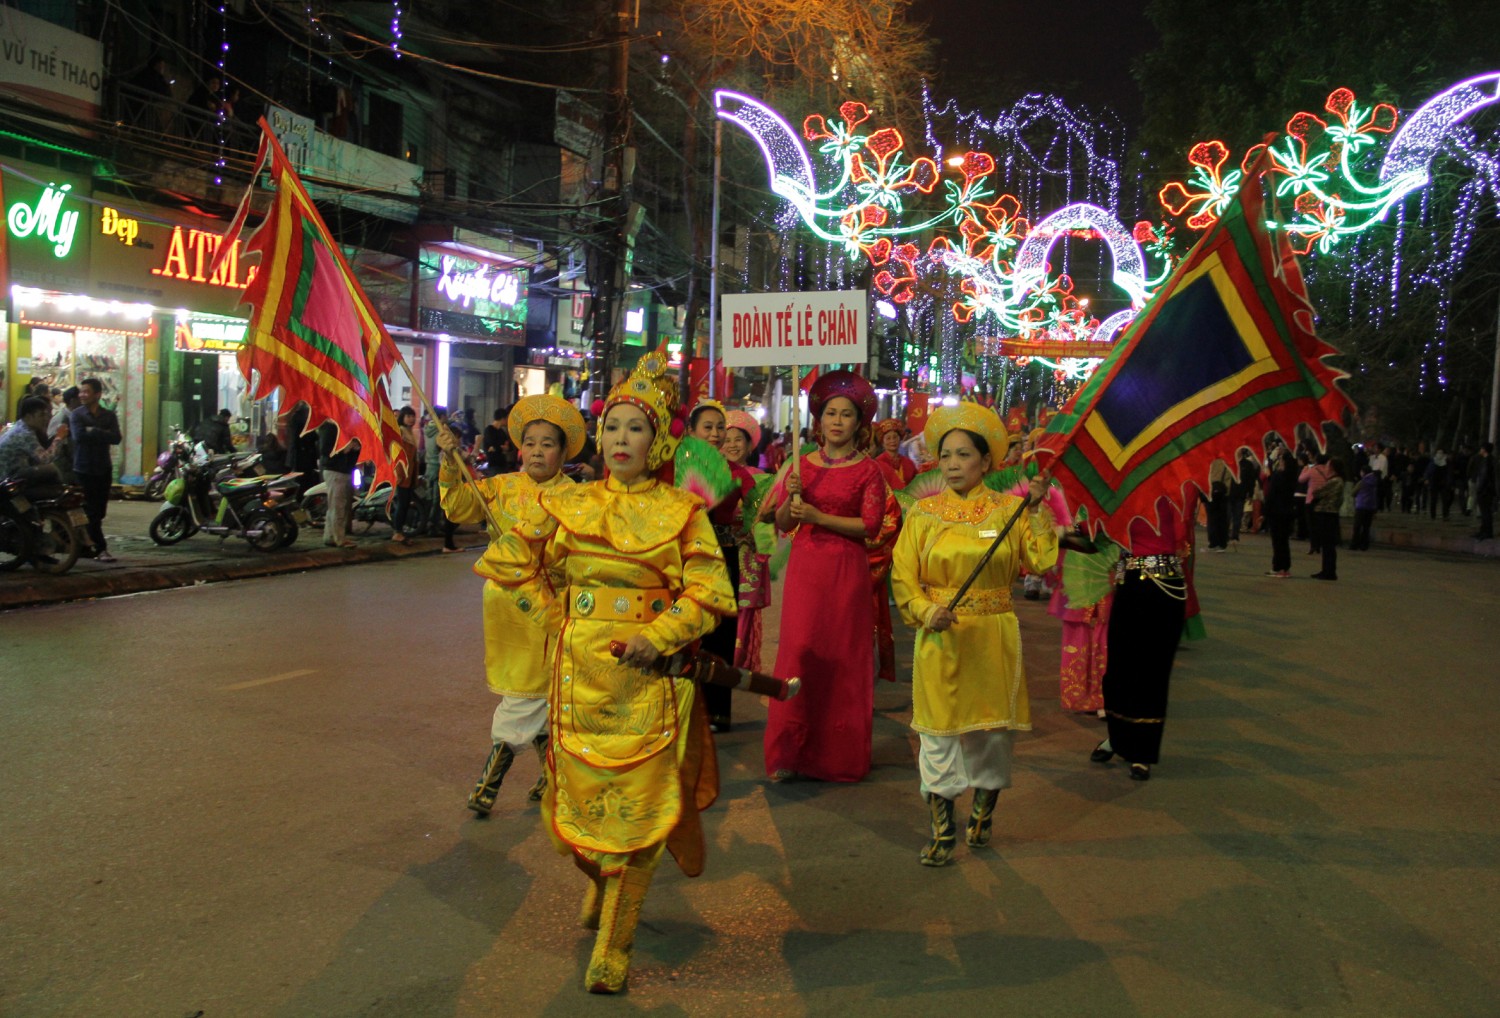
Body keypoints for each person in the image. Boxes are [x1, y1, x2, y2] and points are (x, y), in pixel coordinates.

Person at [480, 348, 735, 994]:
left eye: (637, 428)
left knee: (639, 815)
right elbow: (513, 562)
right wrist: (553, 617)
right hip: (576, 679)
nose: (623, 439)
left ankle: (615, 943)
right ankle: (599, 881)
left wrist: (658, 636)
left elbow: (710, 594)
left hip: (649, 683)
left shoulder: (683, 511)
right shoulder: (571, 503)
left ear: (657, 442)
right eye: (614, 427)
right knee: (574, 823)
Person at [891, 404, 1055, 865]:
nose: (952, 464)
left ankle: (983, 811)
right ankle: (943, 831)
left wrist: (1037, 510)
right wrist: (925, 610)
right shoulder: (922, 514)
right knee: (938, 732)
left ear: (986, 462)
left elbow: (1040, 562)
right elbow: (903, 576)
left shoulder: (1010, 510)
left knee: (990, 734)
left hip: (993, 635)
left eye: (963, 455)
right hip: (941, 636)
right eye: (945, 456)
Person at [439, 394, 586, 815]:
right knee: (531, 692)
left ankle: (490, 782)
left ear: (563, 451)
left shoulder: (577, 499)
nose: (538, 451)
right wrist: (451, 463)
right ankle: (551, 774)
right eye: (531, 442)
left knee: (524, 698)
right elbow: (458, 507)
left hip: (547, 608)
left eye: (548, 443)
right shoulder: (500, 488)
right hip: (503, 611)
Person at [764, 370, 888, 783]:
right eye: (830, 413)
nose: (836, 421)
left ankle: (837, 757)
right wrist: (792, 495)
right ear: (818, 420)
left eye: (846, 414)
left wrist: (818, 516)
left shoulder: (869, 471)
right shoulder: (800, 465)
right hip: (806, 569)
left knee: (841, 658)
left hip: (846, 571)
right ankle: (790, 752)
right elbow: (783, 521)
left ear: (859, 423)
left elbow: (870, 527)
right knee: (798, 653)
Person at [1089, 496, 1190, 781]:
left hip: (1164, 586)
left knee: (1151, 671)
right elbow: (1098, 538)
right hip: (1128, 582)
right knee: (1119, 668)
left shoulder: (1178, 488)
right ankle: (1117, 739)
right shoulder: (1124, 488)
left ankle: (1142, 751)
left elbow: (1181, 534)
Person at [688, 399, 756, 733]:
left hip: (724, 554)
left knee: (720, 632)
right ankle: (685, 705)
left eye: (720, 427)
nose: (715, 434)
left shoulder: (738, 473)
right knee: (689, 628)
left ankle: (717, 712)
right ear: (692, 432)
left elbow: (761, 516)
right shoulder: (677, 468)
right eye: (708, 427)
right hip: (687, 557)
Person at [724, 410, 772, 673]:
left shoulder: (762, 478)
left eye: (738, 439)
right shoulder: (713, 474)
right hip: (720, 553)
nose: (732, 444)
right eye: (727, 439)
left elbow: (769, 523)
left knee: (745, 612)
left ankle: (739, 663)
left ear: (749, 445)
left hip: (749, 555)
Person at [70, 378, 121, 562]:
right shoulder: (76, 415)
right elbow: (79, 436)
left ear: (98, 394)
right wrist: (101, 433)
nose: (82, 395)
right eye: (81, 392)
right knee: (90, 510)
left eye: (86, 392)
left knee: (99, 511)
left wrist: (94, 431)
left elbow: (116, 438)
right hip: (83, 468)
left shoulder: (109, 416)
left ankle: (85, 546)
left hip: (103, 468)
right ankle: (100, 548)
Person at [0, 395, 69, 491]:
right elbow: (45, 459)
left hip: (9, 473)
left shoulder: (19, 427)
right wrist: (59, 437)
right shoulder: (25, 434)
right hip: (10, 477)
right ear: (28, 417)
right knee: (52, 468)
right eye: (41, 415)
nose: (46, 418)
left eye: (46, 414)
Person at [317, 421, 359, 549]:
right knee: (338, 506)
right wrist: (346, 448)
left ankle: (330, 536)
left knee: (335, 505)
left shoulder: (342, 426)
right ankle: (339, 538)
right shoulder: (330, 427)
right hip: (335, 470)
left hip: (343, 469)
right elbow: (325, 449)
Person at [1263, 443, 1298, 577]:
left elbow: (1271, 495)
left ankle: (1278, 567)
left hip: (1276, 512)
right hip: (1288, 511)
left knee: (1277, 541)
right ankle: (1285, 567)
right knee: (1284, 541)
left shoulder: (1278, 476)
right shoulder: (1293, 478)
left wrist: (1266, 512)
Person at [1310, 458, 1345, 580]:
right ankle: (1326, 570)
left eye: (1327, 466)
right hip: (1328, 514)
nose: (1326, 468)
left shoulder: (1335, 481)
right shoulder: (1337, 481)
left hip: (1327, 514)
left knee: (1328, 544)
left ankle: (1329, 571)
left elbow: (1317, 492)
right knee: (1326, 544)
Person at [388, 407, 420, 543]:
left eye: (412, 416)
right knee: (402, 504)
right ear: (403, 417)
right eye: (408, 416)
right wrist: (399, 473)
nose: (411, 419)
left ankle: (400, 530)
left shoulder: (411, 433)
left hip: (410, 474)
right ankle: (397, 531)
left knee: (406, 503)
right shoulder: (400, 432)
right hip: (402, 474)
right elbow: (397, 454)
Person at [47, 386, 80, 485]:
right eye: (80, 398)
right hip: (64, 466)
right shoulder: (61, 418)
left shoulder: (75, 416)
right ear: (73, 400)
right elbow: (52, 441)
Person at [872, 419, 917, 488]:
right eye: (888, 438)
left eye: (895, 437)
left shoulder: (908, 463)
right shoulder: (877, 464)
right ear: (882, 442)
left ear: (900, 439)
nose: (892, 441)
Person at [1205, 458, 1231, 551]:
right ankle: (1222, 541)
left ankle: (1213, 541)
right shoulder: (1227, 460)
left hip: (1210, 490)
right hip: (1223, 492)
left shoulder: (1211, 460)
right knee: (1222, 518)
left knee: (1211, 517)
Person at [1350, 464, 1378, 550]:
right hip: (1371, 506)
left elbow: (1353, 493)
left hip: (1361, 506)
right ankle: (1364, 545)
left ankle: (1354, 545)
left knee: (1357, 526)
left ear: (1363, 472)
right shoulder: (1374, 481)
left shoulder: (1362, 482)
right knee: (1366, 527)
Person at [1474, 442, 1495, 540]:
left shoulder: (1487, 461)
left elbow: (1484, 476)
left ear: (1484, 449)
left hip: (1485, 490)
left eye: (1481, 448)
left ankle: (1487, 532)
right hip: (1487, 489)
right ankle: (1484, 530)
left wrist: (1480, 489)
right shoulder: (1488, 460)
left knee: (1485, 512)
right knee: (1485, 512)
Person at [480, 409, 511, 477]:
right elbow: (493, 445)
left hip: (503, 464)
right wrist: (501, 448)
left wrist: (499, 448)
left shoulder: (502, 432)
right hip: (493, 465)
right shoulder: (489, 430)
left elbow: (508, 447)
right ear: (503, 418)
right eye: (507, 418)